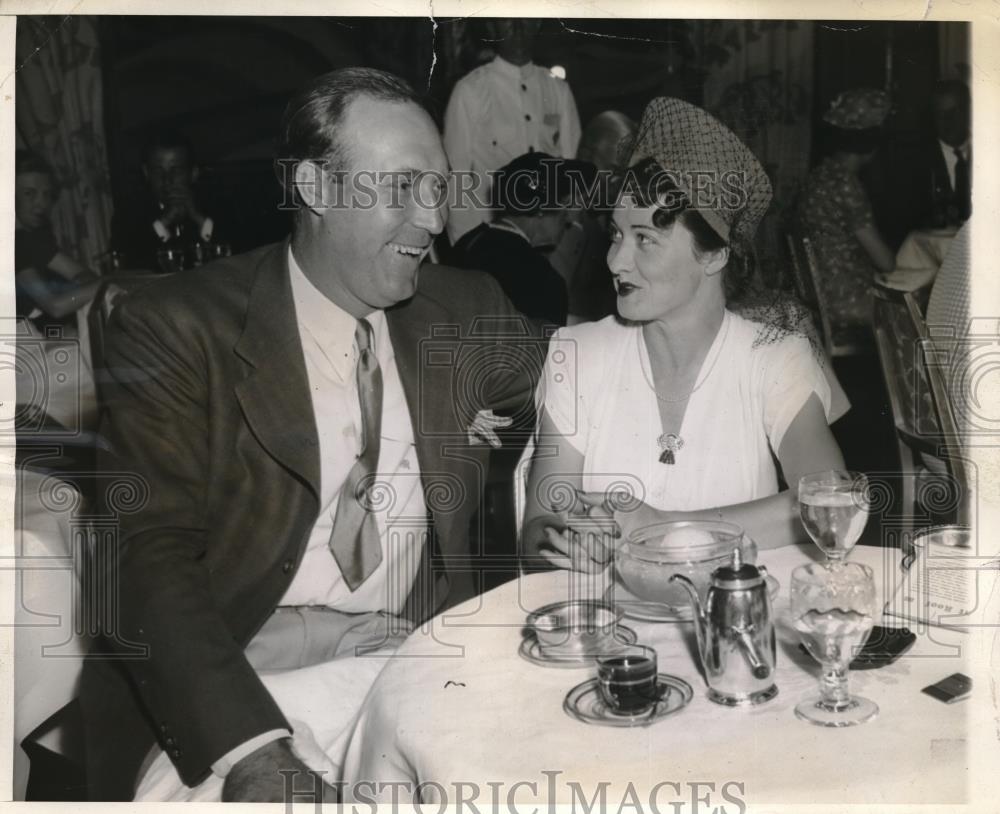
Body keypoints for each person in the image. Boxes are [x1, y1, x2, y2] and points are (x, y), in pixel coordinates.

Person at [79, 68, 541, 802]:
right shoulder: (177, 325)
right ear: (317, 190)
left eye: (439, 189)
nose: (432, 220)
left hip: (409, 668)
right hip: (233, 695)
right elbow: (142, 556)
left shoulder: (464, 308)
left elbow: (578, 377)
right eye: (402, 188)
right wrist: (257, 756)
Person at [521, 97, 847, 570]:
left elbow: (829, 502)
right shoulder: (578, 353)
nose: (616, 261)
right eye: (615, 234)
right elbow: (538, 527)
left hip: (729, 615)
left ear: (714, 256)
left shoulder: (775, 357)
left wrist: (663, 528)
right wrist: (564, 542)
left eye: (645, 240)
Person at [443, 18, 581, 245]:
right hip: (493, 236)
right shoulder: (470, 90)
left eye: (526, 18)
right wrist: (467, 244)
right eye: (507, 19)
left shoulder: (557, 89)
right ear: (491, 26)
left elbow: (572, 168)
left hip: (551, 238)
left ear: (537, 24)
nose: (517, 27)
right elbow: (455, 178)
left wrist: (569, 236)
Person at [451, 151, 596, 328]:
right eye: (565, 206)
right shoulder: (542, 279)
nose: (568, 219)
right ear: (542, 209)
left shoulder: (466, 244)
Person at [799, 88, 896, 338]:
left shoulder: (820, 175)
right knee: (921, 303)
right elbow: (885, 261)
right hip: (848, 300)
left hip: (820, 294)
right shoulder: (847, 185)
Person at [14, 151, 102, 334]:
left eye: (46, 194)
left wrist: (86, 285)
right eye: (29, 194)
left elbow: (81, 273)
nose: (41, 203)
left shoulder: (32, 237)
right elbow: (55, 306)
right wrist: (111, 282)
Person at [110, 130, 221, 271]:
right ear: (146, 173)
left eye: (176, 170)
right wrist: (163, 223)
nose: (167, 180)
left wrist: (199, 219)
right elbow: (129, 265)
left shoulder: (217, 205)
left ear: (193, 173)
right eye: (158, 171)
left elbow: (234, 258)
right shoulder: (128, 214)